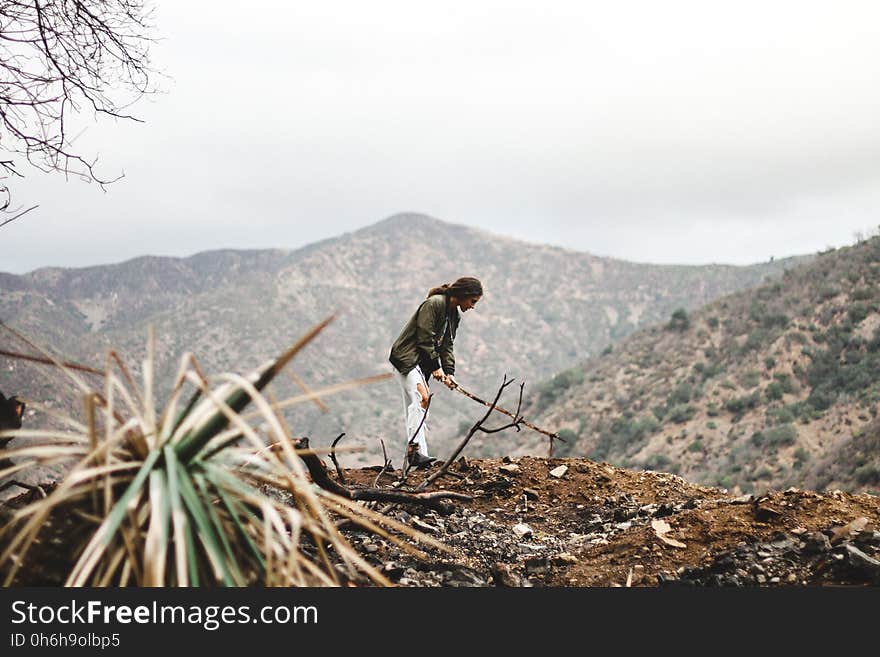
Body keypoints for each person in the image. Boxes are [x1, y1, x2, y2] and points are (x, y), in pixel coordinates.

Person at [389, 277, 483, 469]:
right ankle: (415, 451)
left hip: (421, 364)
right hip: (407, 359)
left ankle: (419, 456)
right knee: (423, 398)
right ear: (463, 295)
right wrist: (435, 368)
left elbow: (447, 345)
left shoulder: (454, 316)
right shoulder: (434, 304)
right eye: (472, 301)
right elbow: (425, 338)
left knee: (419, 405)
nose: (473, 307)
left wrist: (449, 372)